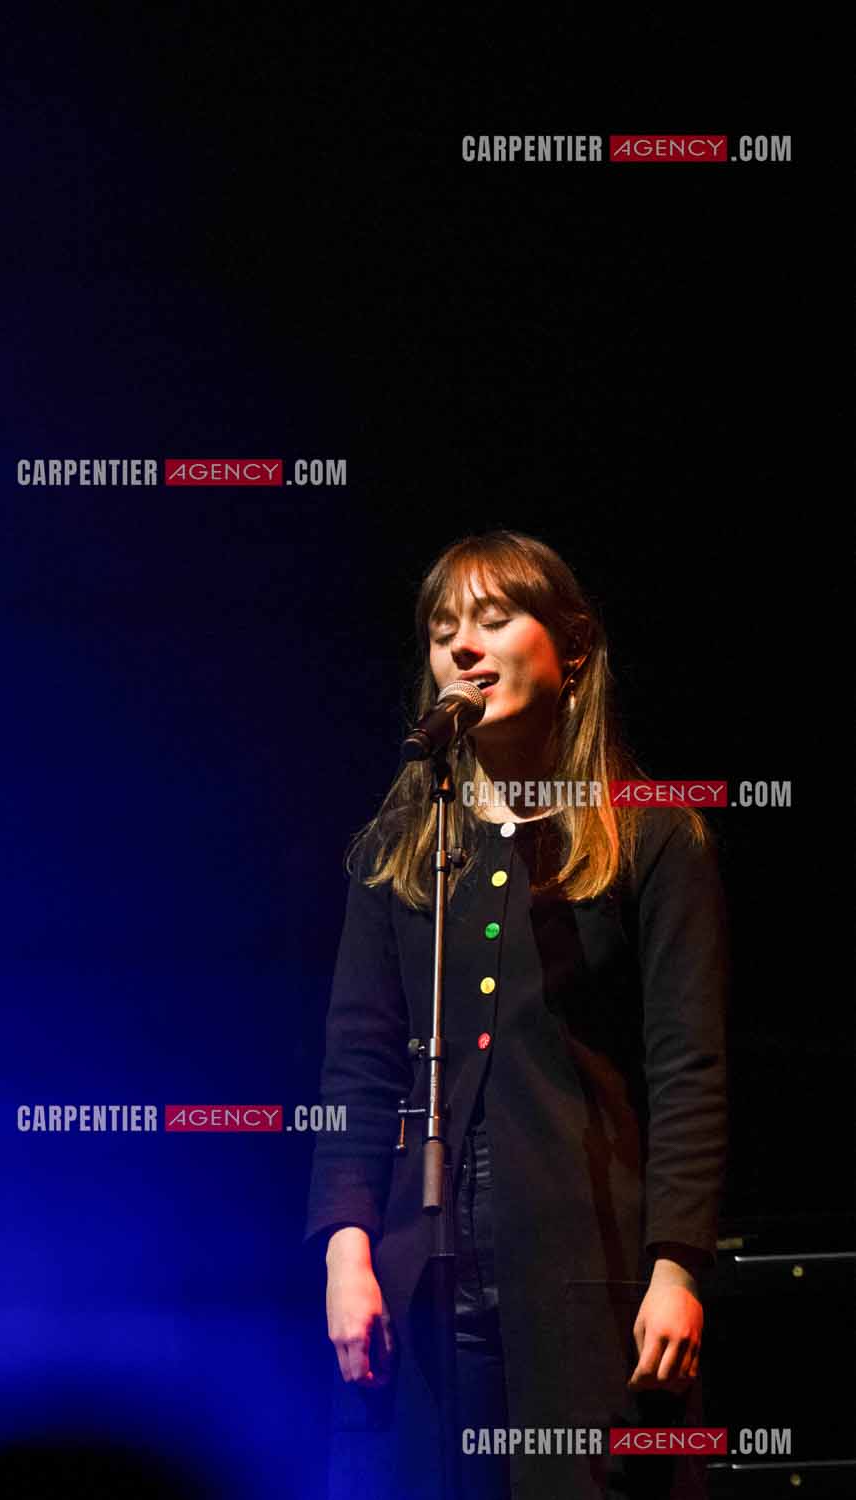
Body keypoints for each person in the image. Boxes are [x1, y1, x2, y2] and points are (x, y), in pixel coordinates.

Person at [304, 531, 727, 1500]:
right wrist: (347, 1248)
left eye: (495, 621)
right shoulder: (399, 853)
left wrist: (678, 1266)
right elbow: (358, 1067)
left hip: (589, 1263)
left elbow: (688, 1066)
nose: (462, 646)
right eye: (443, 629)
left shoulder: (650, 837)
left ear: (570, 649)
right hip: (424, 1267)